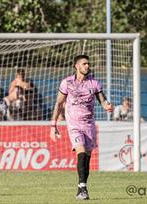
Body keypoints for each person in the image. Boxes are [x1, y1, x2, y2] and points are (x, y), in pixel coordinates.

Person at [50, 54, 113, 200]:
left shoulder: (94, 83)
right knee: (81, 152)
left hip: (89, 124)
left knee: (87, 158)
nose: (87, 66)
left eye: (88, 64)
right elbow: (59, 104)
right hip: (74, 124)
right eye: (84, 64)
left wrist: (107, 106)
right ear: (76, 66)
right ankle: (83, 189)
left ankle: (81, 187)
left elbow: (102, 100)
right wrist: (53, 125)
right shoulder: (67, 82)